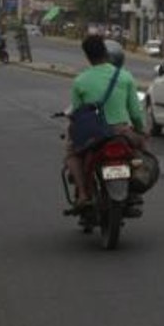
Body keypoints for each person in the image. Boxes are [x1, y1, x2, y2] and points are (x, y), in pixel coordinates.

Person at [64, 34, 148, 212]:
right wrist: (141, 131)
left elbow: (77, 115)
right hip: (121, 132)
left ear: (87, 56)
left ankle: (84, 194)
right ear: (105, 51)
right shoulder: (125, 77)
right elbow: (135, 113)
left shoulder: (80, 81)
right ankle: (135, 187)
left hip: (93, 135)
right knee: (140, 149)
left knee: (72, 152)